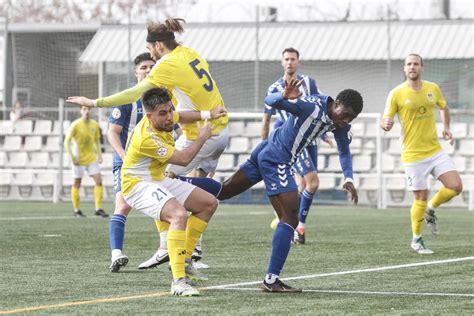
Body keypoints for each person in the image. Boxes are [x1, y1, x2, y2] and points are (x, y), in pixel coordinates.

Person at [68, 17, 228, 270]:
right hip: (218, 127)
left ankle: (173, 248)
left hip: (201, 134)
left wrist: (95, 102)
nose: (150, 61)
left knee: (166, 187)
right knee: (191, 193)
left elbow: (134, 94)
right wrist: (208, 114)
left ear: (158, 46)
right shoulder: (189, 53)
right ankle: (185, 244)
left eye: (151, 49)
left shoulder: (166, 67)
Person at [211, 79, 362, 292]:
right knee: (290, 217)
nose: (346, 121)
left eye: (351, 118)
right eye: (344, 114)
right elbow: (269, 101)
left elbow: (344, 151)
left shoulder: (339, 123)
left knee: (224, 191)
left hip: (268, 151)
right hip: (277, 158)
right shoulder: (311, 106)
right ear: (335, 104)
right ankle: (272, 280)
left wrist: (349, 178)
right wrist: (283, 95)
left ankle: (179, 183)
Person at [121, 87, 221, 296]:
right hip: (137, 185)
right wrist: (202, 137)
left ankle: (184, 259)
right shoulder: (146, 138)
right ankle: (178, 282)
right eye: (163, 113)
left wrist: (207, 114)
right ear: (149, 116)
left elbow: (181, 115)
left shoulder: (163, 116)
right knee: (178, 214)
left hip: (157, 178)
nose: (169, 118)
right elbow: (184, 159)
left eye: (169, 110)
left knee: (209, 204)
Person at [381, 53, 463, 255]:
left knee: (455, 186)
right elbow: (386, 120)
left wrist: (446, 128)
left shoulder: (432, 88)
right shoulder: (396, 93)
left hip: (434, 150)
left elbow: (444, 107)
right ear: (404, 68)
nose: (412, 67)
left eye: (415, 64)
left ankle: (431, 209)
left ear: (422, 67)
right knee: (420, 197)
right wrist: (386, 124)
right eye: (408, 64)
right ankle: (416, 240)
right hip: (413, 155)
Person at [107, 52, 171, 272]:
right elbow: (112, 133)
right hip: (128, 163)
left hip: (155, 162)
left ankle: (171, 250)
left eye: (152, 67)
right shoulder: (127, 100)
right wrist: (125, 158)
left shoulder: (163, 98)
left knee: (167, 201)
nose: (148, 70)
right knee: (123, 205)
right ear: (136, 72)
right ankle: (116, 254)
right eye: (144, 67)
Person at [261, 47, 331, 244]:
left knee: (302, 185)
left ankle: (286, 219)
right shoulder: (274, 88)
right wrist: (264, 143)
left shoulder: (309, 83)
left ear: (298, 62)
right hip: (292, 142)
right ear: (282, 63)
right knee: (313, 183)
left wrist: (324, 134)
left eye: (293, 59)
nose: (290, 62)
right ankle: (298, 227)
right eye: (286, 59)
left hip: (310, 140)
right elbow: (267, 118)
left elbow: (319, 108)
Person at [64, 105, 108, 218]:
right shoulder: (75, 124)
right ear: (81, 111)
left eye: (89, 109)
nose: (87, 111)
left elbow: (97, 141)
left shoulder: (95, 124)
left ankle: (98, 209)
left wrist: (99, 154)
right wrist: (72, 157)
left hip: (91, 158)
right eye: (84, 109)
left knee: (98, 180)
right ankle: (76, 210)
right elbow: (66, 142)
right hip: (78, 159)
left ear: (91, 111)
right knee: (77, 183)